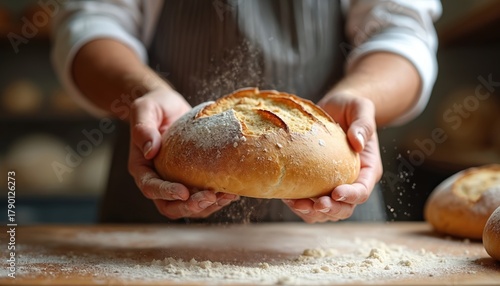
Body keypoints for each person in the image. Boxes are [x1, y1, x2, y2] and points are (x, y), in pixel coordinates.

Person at [51, 0, 442, 224]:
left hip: (334, 219)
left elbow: (402, 29)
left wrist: (360, 95)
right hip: (157, 197)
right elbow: (90, 21)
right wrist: (146, 93)